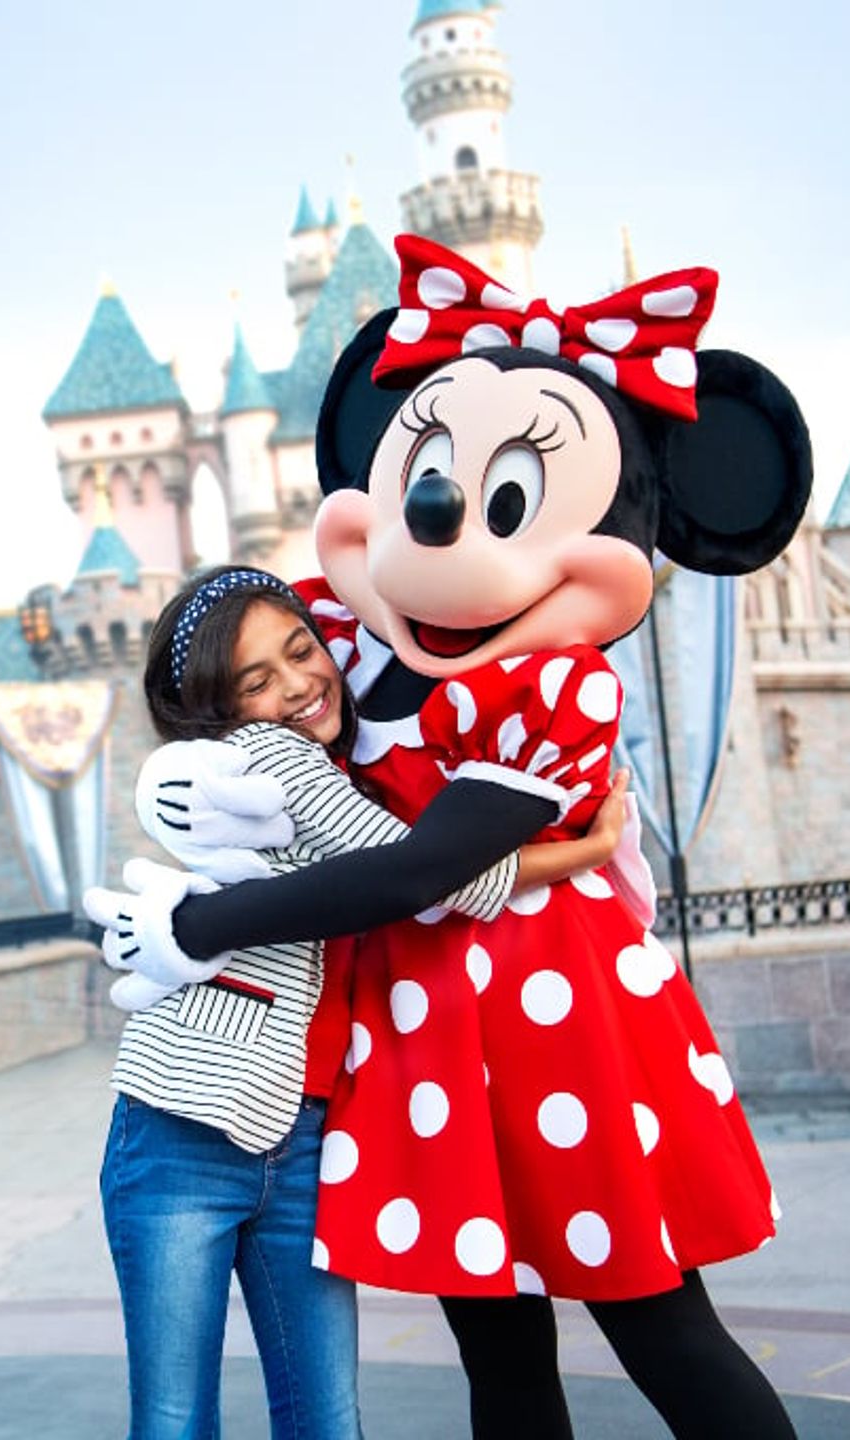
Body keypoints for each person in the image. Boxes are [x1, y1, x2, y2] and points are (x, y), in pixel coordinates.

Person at [95, 234, 808, 1438]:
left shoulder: (559, 692)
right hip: (424, 1049)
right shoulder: (350, 649)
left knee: (659, 1325)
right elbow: (241, 661)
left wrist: (198, 924)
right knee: (502, 1361)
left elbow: (425, 870)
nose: (441, 521)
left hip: (562, 1034)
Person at [88, 563, 632, 1440]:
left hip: (298, 1136)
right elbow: (421, 872)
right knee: (179, 1419)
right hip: (185, 1131)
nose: (299, 685)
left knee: (322, 1418)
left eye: (302, 651)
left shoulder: (320, 763)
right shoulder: (272, 760)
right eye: (256, 683)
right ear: (219, 712)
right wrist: (586, 847)